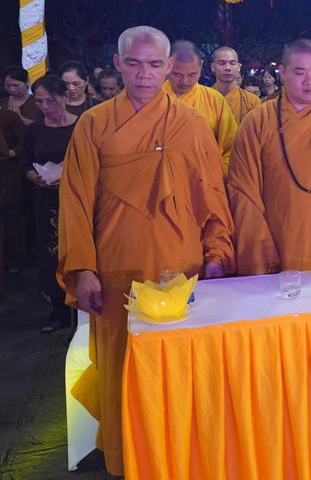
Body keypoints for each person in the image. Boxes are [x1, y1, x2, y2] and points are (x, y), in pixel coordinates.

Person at [59, 26, 233, 477]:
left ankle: (185, 458)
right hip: (116, 265)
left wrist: (217, 251)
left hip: (180, 265)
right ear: (118, 65)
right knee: (124, 369)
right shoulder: (94, 123)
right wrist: (83, 267)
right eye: (134, 64)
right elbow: (76, 200)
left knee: (182, 369)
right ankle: (127, 459)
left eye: (154, 65)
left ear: (169, 67)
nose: (144, 74)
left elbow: (212, 194)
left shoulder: (191, 123)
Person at [227, 40, 311, 273]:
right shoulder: (257, 122)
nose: (310, 80)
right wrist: (260, 249)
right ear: (282, 73)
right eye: (300, 72)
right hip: (279, 243)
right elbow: (243, 191)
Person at [20, 76, 75, 331]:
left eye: (50, 101)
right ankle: (58, 309)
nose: (45, 107)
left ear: (65, 97)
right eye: (40, 102)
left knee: (77, 247)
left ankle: (81, 308)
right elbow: (25, 162)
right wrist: (35, 177)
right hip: (46, 198)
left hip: (76, 196)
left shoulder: (82, 124)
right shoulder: (35, 130)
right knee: (51, 251)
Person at [165, 40, 238, 168]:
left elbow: (231, 148)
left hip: (206, 176)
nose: (185, 81)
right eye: (177, 74)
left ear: (201, 66)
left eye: (192, 74)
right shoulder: (152, 99)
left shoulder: (214, 99)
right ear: (167, 65)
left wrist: (219, 173)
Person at [0, 92, 24, 285]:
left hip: (7, 170)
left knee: (11, 215)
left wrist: (11, 152)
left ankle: (14, 259)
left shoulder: (9, 116)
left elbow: (23, 141)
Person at [210, 46, 261, 124]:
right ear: (213, 67)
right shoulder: (203, 98)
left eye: (232, 63)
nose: (227, 68)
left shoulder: (252, 101)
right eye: (222, 63)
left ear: (238, 67)